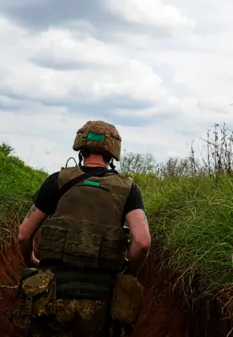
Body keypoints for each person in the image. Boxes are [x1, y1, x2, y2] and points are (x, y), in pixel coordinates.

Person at [17, 120, 151, 337]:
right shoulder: (129, 189)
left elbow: (24, 235)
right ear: (112, 152)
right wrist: (130, 271)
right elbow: (143, 242)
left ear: (81, 147)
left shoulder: (57, 181)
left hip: (52, 293)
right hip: (101, 298)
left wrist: (31, 260)